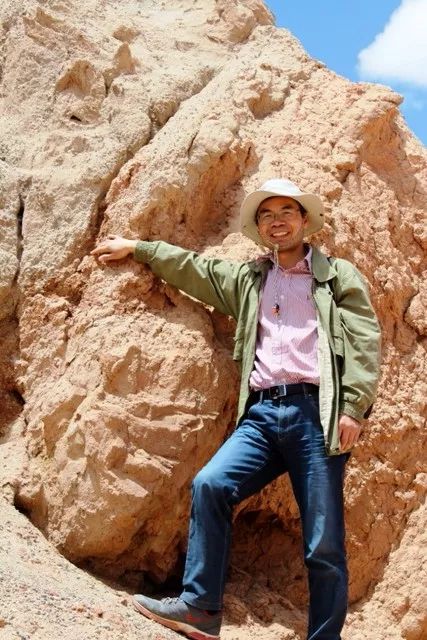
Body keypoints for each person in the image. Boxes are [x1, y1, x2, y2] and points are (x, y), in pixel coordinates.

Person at [91, 178, 381, 640]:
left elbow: (365, 340)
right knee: (211, 484)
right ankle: (200, 608)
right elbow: (197, 270)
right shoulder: (250, 279)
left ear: (303, 220)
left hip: (316, 416)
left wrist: (353, 406)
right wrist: (140, 248)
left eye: (286, 211)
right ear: (259, 227)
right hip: (262, 417)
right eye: (267, 215)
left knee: (323, 542)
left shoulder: (335, 276)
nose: (277, 221)